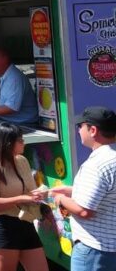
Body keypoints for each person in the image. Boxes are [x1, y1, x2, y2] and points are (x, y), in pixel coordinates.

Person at [49, 107, 116, 271]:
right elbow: (107, 193)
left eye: (81, 126)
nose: (78, 131)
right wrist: (71, 190)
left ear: (93, 130)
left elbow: (84, 211)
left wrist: (60, 198)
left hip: (93, 249)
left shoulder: (96, 165)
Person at [0, 122, 50, 271]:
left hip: (25, 223)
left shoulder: (22, 161)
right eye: (20, 140)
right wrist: (21, 199)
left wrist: (38, 194)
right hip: (3, 226)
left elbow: (29, 190)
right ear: (8, 143)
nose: (24, 143)